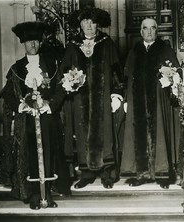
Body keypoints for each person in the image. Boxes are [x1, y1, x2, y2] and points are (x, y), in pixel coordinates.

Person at [50, 7, 124, 189]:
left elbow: (117, 72)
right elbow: (64, 72)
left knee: (105, 132)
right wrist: (69, 83)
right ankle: (87, 173)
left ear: (98, 24)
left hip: (103, 96)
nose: (89, 25)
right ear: (80, 24)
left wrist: (117, 94)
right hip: (80, 98)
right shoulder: (73, 45)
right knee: (82, 133)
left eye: (92, 22)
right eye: (85, 22)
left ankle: (107, 173)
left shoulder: (107, 43)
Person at [2, 21, 71, 210]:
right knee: (31, 154)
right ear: (23, 44)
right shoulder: (16, 69)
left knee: (48, 154)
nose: (33, 45)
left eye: (36, 42)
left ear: (40, 43)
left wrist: (50, 105)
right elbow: (8, 94)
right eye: (29, 42)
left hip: (48, 117)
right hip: (27, 120)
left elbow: (61, 89)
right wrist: (22, 106)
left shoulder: (52, 64)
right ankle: (34, 194)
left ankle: (46, 193)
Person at [120, 18, 180, 188]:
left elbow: (175, 73)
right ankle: (142, 174)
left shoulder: (165, 49)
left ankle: (162, 174)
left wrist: (169, 78)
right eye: (145, 29)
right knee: (138, 133)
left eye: (152, 28)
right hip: (137, 101)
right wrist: (125, 99)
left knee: (159, 133)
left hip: (158, 101)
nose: (148, 32)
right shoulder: (134, 52)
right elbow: (126, 77)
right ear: (141, 32)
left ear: (156, 31)